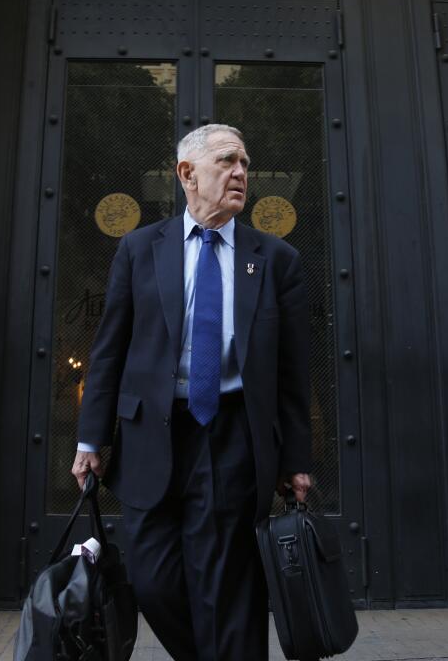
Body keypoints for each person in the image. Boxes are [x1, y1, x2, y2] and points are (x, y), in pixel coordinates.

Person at [72, 124, 313, 661]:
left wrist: (295, 459)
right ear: (187, 173)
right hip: (151, 435)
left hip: (231, 436)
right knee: (154, 581)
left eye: (244, 163)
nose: (240, 173)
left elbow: (292, 376)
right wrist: (91, 439)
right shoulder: (139, 249)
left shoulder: (275, 260)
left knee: (223, 579)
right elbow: (109, 351)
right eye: (227, 161)